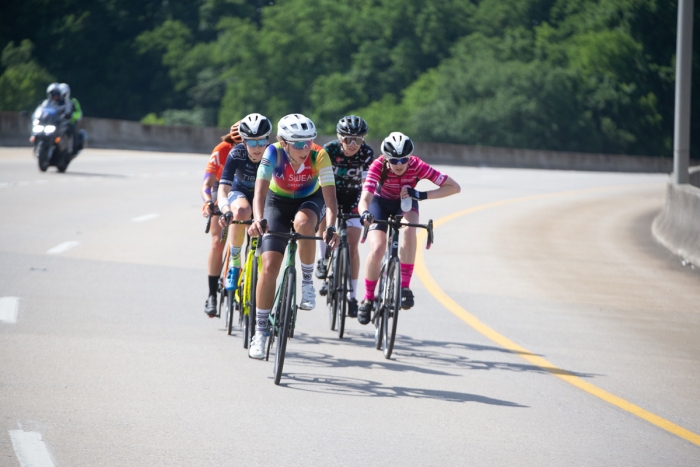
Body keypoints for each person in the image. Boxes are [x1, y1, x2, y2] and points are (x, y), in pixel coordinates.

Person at [247, 114, 339, 359]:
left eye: (308, 141)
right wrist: (258, 219)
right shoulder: (272, 153)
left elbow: (330, 202)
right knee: (268, 268)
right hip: (276, 203)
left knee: (304, 224)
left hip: (310, 200)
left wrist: (331, 227)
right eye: (298, 143)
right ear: (284, 142)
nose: (304, 147)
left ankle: (307, 283)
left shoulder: (319, 155)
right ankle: (260, 331)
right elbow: (260, 193)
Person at [357, 132, 461, 325]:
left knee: (409, 230)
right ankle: (368, 298)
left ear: (409, 157)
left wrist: (421, 195)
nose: (399, 164)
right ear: (386, 158)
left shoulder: (416, 165)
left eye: (403, 159)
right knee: (378, 248)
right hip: (380, 203)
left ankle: (405, 286)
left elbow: (454, 187)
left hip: (405, 202)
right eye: (394, 160)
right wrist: (364, 213)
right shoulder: (377, 166)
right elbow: (365, 199)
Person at [315, 115, 374, 318]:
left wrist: (363, 207)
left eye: (358, 139)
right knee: (324, 216)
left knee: (352, 245)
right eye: (349, 139)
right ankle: (322, 259)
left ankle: (351, 295)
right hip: (329, 193)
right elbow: (320, 180)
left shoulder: (366, 153)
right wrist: (330, 205)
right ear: (340, 138)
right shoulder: (328, 150)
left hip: (353, 198)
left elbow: (367, 185)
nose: (353, 144)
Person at [216, 113, 272, 299]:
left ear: (268, 140)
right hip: (239, 193)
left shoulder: (274, 154)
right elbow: (223, 190)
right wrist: (225, 211)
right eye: (251, 142)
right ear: (244, 141)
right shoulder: (237, 153)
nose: (257, 148)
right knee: (241, 210)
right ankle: (234, 263)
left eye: (261, 142)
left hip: (264, 197)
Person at [201, 121, 242, 317]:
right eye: (237, 143)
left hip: (246, 191)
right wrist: (208, 202)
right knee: (218, 242)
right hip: (223, 188)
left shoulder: (263, 151)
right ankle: (211, 295)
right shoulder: (222, 149)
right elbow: (207, 183)